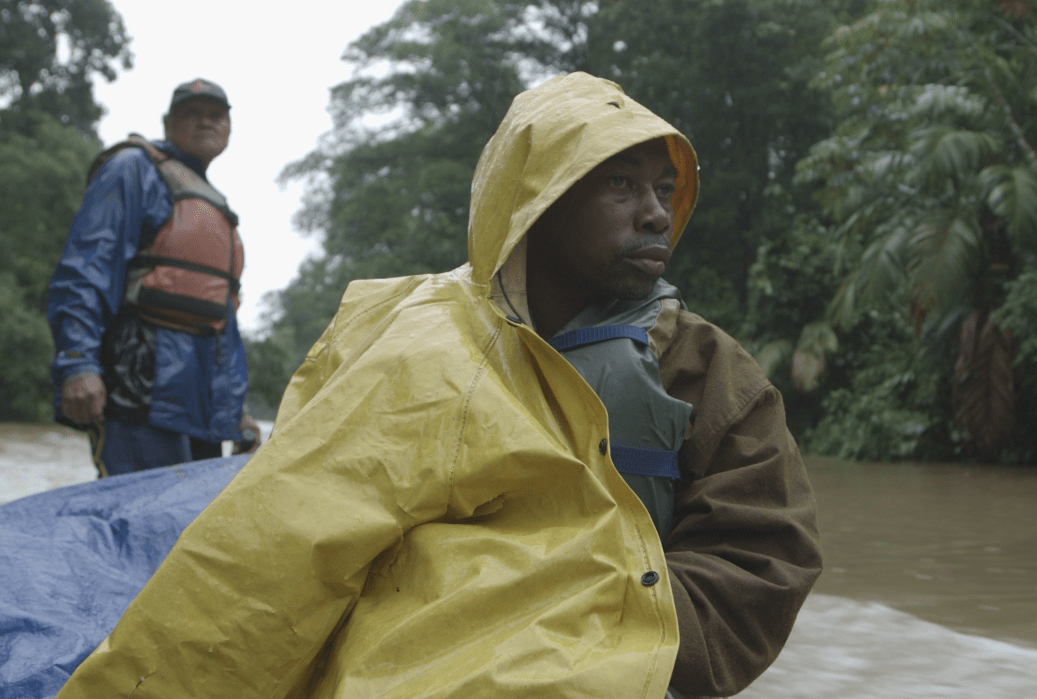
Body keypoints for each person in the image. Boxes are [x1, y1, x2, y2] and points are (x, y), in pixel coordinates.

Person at [54, 72, 820, 698]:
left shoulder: (705, 367)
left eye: (663, 188)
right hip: (402, 659)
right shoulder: (415, 336)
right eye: (620, 185)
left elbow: (762, 554)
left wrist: (581, 618)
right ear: (541, 204)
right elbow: (279, 548)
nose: (655, 212)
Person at [47, 78, 260, 477]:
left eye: (216, 116)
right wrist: (77, 361)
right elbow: (86, 267)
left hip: (201, 404)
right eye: (191, 115)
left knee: (190, 529)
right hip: (138, 386)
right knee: (137, 522)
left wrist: (236, 412)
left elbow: (222, 325)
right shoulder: (133, 169)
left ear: (229, 129)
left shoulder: (215, 206)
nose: (205, 123)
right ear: (168, 125)